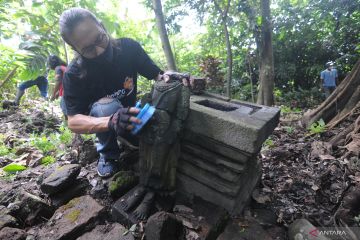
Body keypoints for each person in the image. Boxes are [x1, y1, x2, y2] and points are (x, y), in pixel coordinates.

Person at [59, 8, 163, 177]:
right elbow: (73, 121)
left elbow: (158, 75)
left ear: (102, 26)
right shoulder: (74, 74)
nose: (99, 50)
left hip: (126, 111)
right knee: (106, 106)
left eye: (99, 39)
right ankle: (108, 154)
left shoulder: (129, 48)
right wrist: (111, 121)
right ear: (75, 48)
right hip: (101, 115)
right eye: (88, 49)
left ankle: (126, 134)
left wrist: (172, 77)